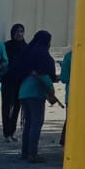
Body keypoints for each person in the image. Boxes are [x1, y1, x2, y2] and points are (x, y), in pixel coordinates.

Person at [14, 30, 61, 162]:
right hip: (35, 94)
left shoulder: (28, 54)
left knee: (28, 123)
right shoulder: (43, 56)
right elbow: (45, 77)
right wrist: (51, 92)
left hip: (23, 91)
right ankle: (32, 154)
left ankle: (25, 152)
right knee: (36, 123)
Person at [1, 23, 26, 142]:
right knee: (7, 107)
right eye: (17, 31)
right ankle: (6, 132)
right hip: (8, 81)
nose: (19, 34)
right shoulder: (6, 46)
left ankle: (12, 131)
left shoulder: (26, 47)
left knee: (17, 106)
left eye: (21, 31)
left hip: (20, 81)